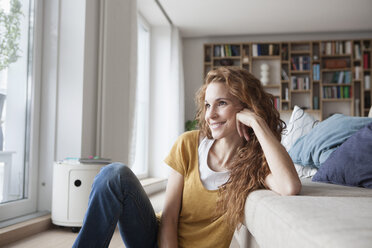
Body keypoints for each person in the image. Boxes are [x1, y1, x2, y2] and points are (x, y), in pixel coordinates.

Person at [72, 67, 301, 248]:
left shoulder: (253, 167)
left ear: (246, 108)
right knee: (114, 174)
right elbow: (169, 217)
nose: (210, 114)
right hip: (155, 238)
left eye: (221, 103)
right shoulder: (189, 144)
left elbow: (289, 186)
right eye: (208, 104)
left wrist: (257, 123)